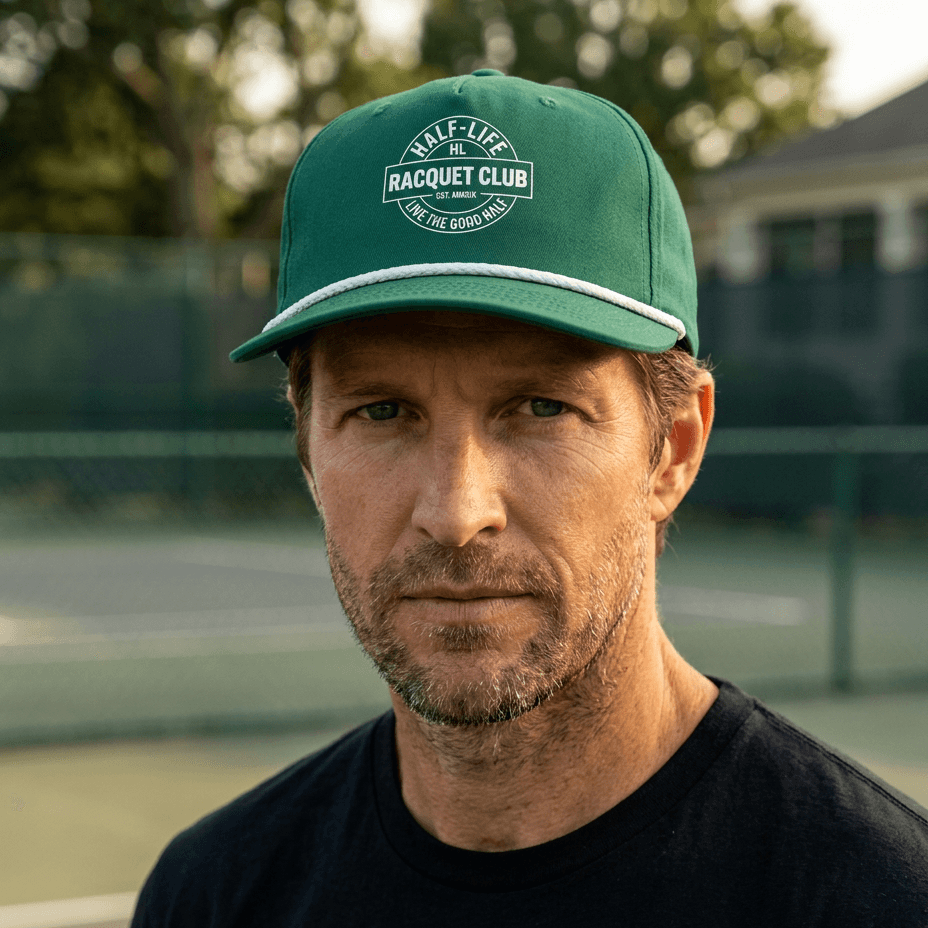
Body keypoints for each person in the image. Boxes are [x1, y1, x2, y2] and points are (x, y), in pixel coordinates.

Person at [132, 71, 928, 926]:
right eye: (383, 412)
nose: (456, 512)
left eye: (543, 408)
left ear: (674, 449)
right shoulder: (212, 894)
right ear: (308, 451)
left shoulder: (880, 899)